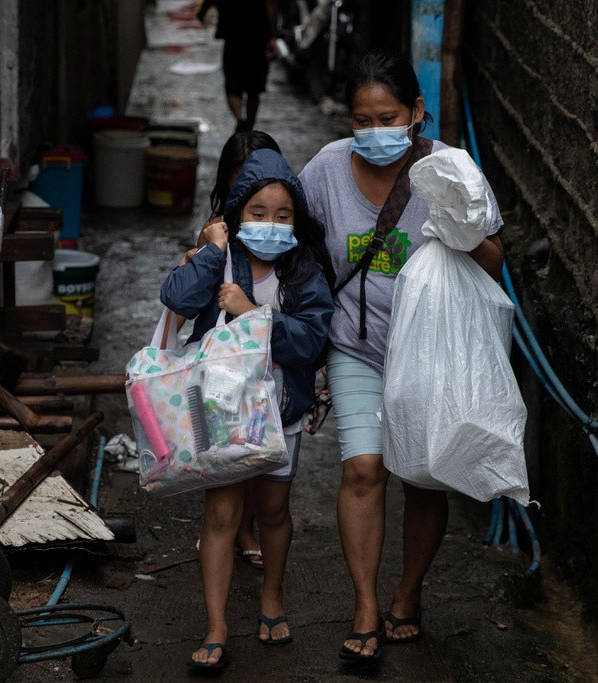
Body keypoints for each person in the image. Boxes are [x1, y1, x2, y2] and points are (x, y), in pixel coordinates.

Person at [298, 49, 506, 661]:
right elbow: (287, 229)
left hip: (430, 350)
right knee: (363, 470)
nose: (373, 133)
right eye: (361, 120)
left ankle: (407, 593)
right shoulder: (328, 170)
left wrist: (463, 232)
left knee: (421, 478)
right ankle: (364, 604)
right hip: (355, 345)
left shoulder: (451, 170)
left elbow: (495, 257)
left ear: (416, 112)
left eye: (387, 118)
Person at [161, 148, 335, 669]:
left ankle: (271, 598)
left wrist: (252, 314)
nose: (271, 225)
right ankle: (216, 626)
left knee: (273, 511)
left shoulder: (303, 269)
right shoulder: (223, 257)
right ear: (237, 213)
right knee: (220, 512)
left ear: (296, 221)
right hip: (219, 410)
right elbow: (178, 298)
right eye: (258, 213)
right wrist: (211, 252)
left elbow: (312, 342)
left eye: (283, 216)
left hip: (281, 414)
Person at [190, 130, 283, 570]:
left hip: (271, 369)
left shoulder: (288, 240)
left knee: (260, 450)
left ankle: (243, 527)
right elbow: (183, 296)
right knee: (228, 450)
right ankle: (228, 528)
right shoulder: (217, 235)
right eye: (241, 179)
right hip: (224, 370)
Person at [197, 0, 279, 133]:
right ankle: (249, 125)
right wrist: (273, 36)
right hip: (257, 36)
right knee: (254, 87)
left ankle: (240, 120)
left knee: (233, 85)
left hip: (233, 34)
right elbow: (271, 4)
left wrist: (202, 12)